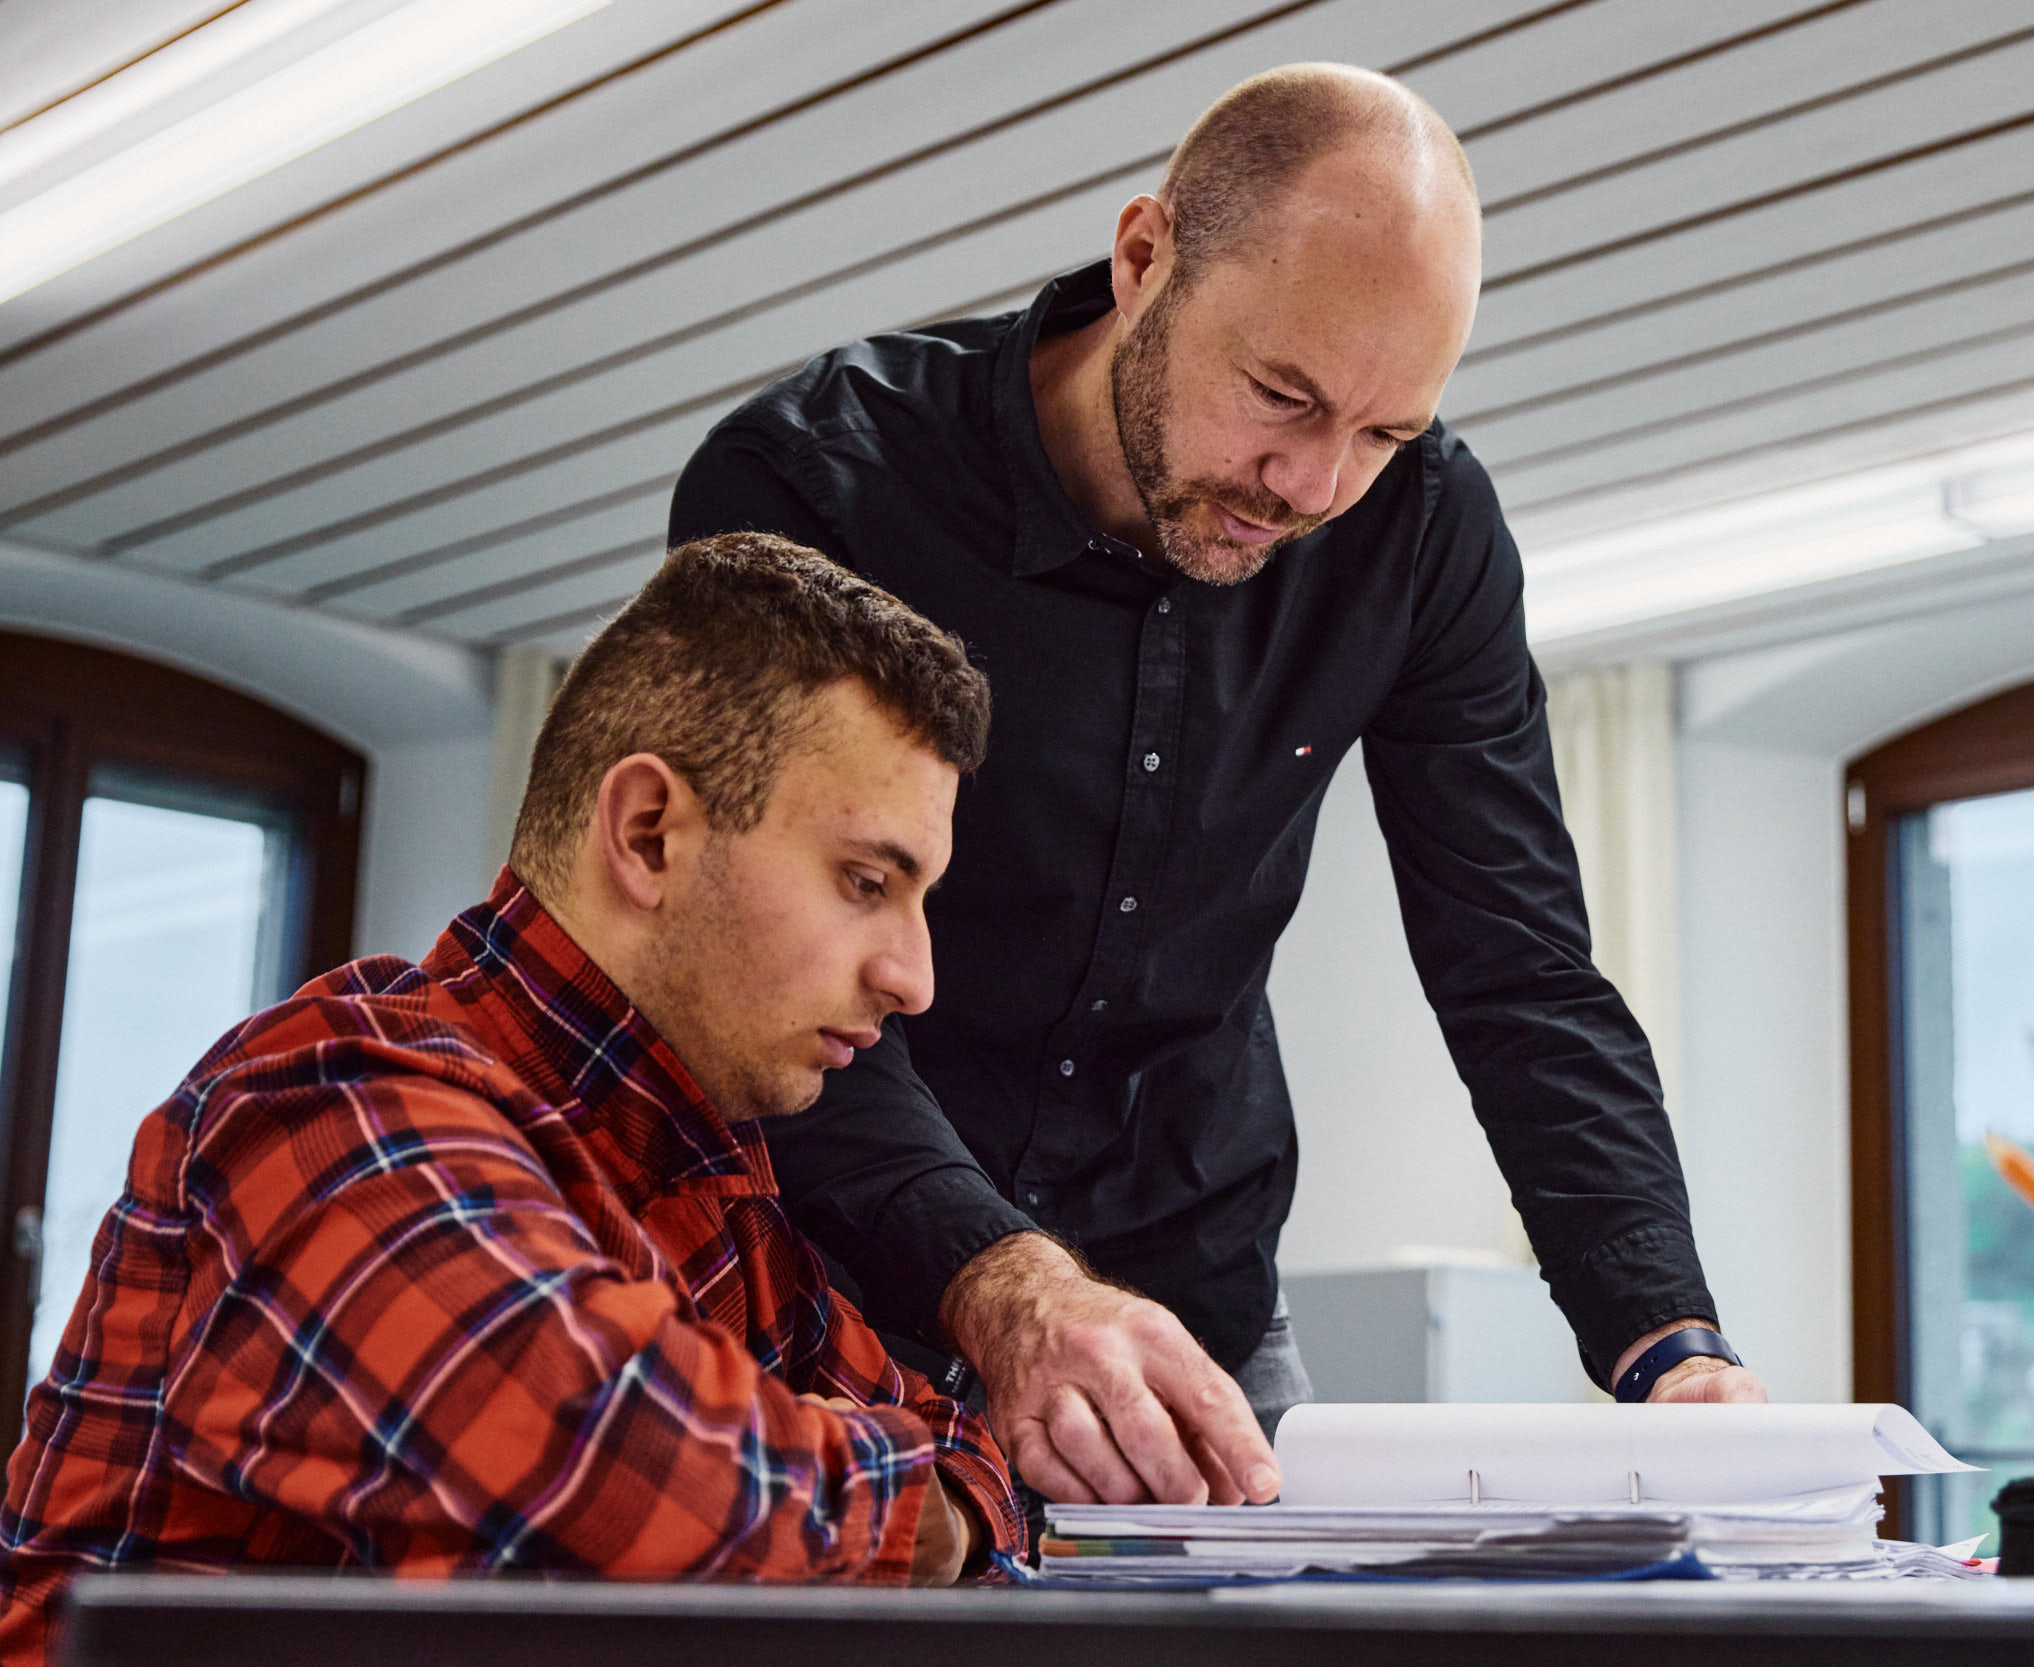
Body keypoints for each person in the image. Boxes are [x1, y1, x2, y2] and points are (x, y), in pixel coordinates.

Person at [668, 63, 1767, 1512]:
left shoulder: (1423, 535)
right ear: (1145, 257)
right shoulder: (820, 485)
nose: (1312, 486)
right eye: (1282, 394)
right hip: (836, 1277)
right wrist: (1007, 1289)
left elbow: (1519, 965)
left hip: (1195, 1304)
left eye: (1382, 433)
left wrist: (1667, 1340)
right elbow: (751, 964)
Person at [0, 534, 1021, 1664]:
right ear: (648, 834)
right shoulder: (333, 1104)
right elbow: (632, 1484)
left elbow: (949, 1436)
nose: (912, 976)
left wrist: (870, 1478)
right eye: (866, 882)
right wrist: (900, 1505)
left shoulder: (712, 1172)